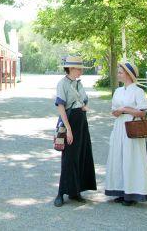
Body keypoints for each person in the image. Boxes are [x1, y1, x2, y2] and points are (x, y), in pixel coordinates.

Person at [105, 61, 147, 206]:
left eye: (120, 72)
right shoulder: (118, 91)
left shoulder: (138, 91)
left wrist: (125, 109)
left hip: (133, 127)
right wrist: (117, 111)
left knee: (132, 158)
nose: (118, 74)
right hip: (119, 126)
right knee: (119, 158)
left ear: (128, 74)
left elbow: (143, 113)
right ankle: (121, 191)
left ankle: (132, 194)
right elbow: (114, 111)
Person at [54, 55, 97, 207]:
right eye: (79, 69)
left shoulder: (79, 84)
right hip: (70, 121)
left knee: (81, 156)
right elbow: (61, 107)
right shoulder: (62, 84)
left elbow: (82, 101)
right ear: (71, 68)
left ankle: (75, 191)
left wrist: (84, 107)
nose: (81, 71)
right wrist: (68, 129)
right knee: (68, 158)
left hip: (81, 122)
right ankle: (61, 193)